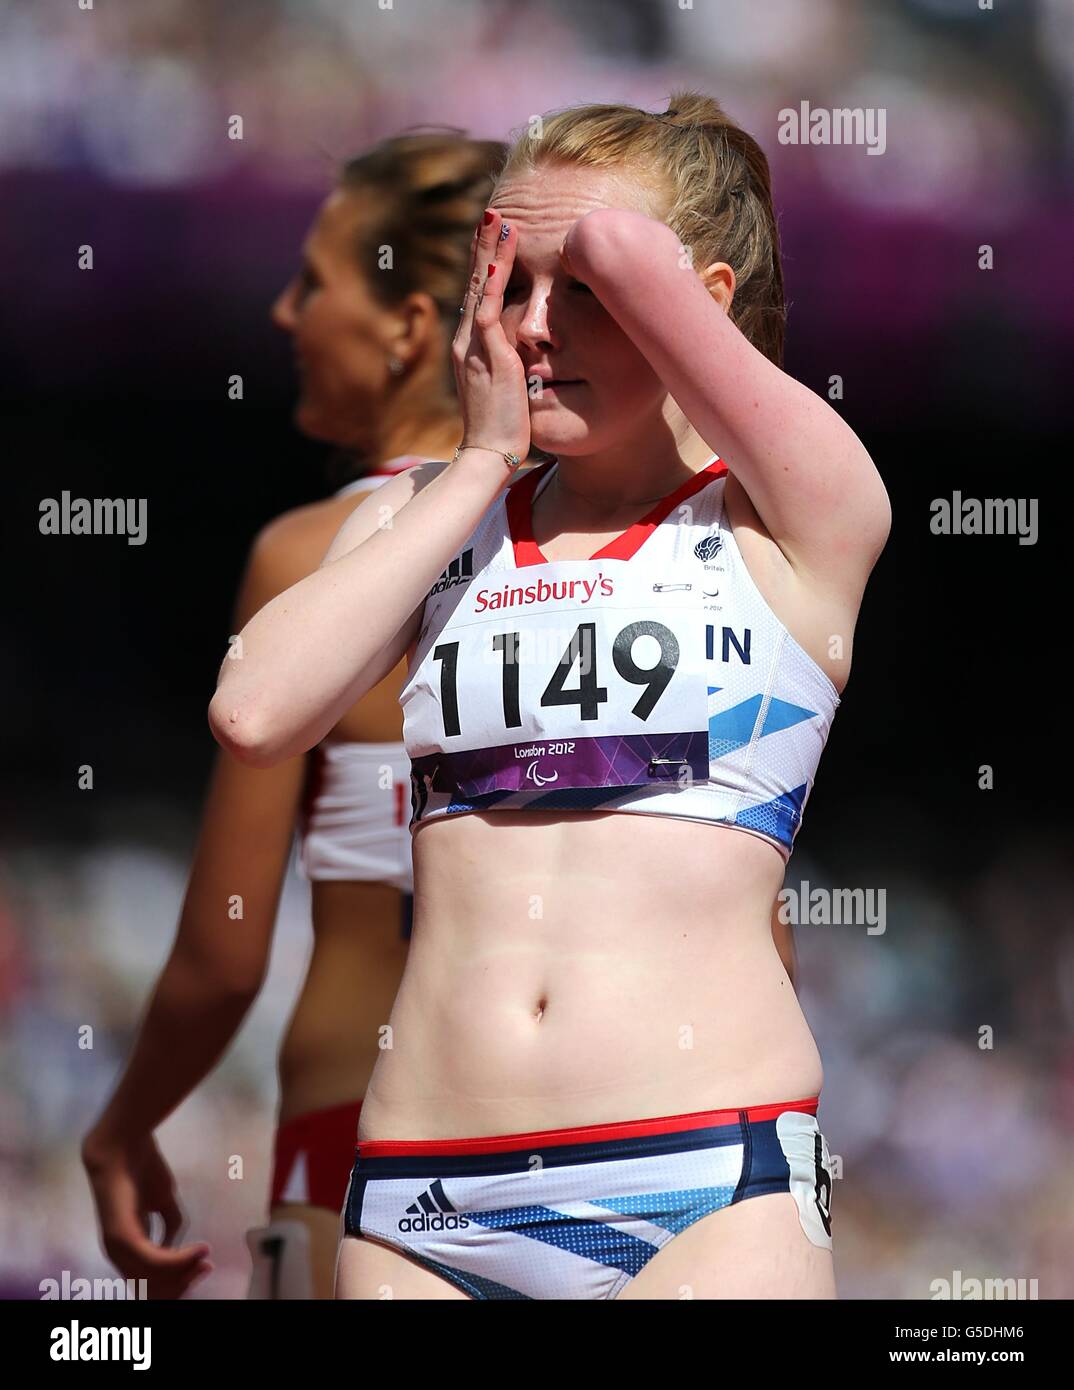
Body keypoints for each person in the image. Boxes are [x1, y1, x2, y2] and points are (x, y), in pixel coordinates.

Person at [209, 92, 891, 1301]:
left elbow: (640, 257)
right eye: (509, 284)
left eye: (581, 291)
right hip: (424, 1198)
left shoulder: (790, 521)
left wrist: (607, 239)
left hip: (706, 1182)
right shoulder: (432, 517)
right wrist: (477, 461)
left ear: (702, 302)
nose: (532, 328)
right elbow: (256, 711)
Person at [81, 130, 506, 1300]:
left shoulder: (309, 558)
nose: (282, 313)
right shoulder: (611, 555)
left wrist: (122, 1127)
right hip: (614, 1144)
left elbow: (226, 948)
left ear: (411, 329)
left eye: (312, 282)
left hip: (363, 1135)